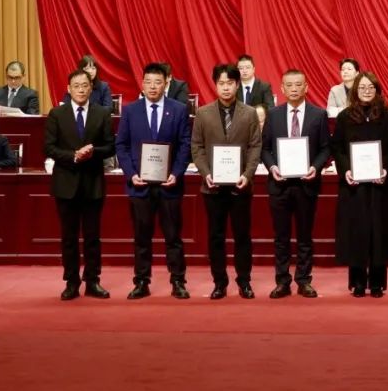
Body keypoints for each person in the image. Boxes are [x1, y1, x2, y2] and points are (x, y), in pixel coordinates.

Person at [115, 63, 193, 300]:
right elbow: (121, 145)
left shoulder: (178, 109)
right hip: (140, 185)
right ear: (142, 84)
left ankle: (178, 281)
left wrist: (176, 172)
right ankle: (141, 281)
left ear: (166, 83)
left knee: (173, 237)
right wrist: (131, 174)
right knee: (141, 237)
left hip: (169, 185)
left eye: (157, 82)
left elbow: (185, 145)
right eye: (148, 82)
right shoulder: (131, 111)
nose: (152, 87)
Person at [44, 69, 116, 301]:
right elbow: (49, 147)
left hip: (93, 183)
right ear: (69, 89)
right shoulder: (57, 113)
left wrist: (93, 152)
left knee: (92, 237)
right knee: (69, 237)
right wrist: (73, 156)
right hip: (66, 183)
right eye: (76, 86)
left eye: (85, 85)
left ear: (91, 88)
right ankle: (71, 281)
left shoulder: (102, 113)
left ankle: (93, 281)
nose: (81, 90)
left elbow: (110, 146)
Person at [191, 63, 262, 300]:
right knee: (216, 236)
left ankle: (244, 281)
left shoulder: (249, 113)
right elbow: (197, 147)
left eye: (230, 83)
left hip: (241, 186)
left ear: (237, 84)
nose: (225, 88)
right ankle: (219, 282)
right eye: (221, 83)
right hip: (212, 186)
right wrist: (206, 173)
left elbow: (255, 146)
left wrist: (247, 175)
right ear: (215, 85)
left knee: (242, 236)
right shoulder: (203, 113)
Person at [261, 69, 332, 298]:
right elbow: (265, 148)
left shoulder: (318, 115)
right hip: (279, 185)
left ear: (306, 87)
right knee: (281, 237)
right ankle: (282, 281)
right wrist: (272, 167)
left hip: (306, 184)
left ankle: (304, 280)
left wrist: (315, 167)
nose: (294, 89)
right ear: (282, 88)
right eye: (289, 85)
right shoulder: (273, 114)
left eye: (298, 84)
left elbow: (326, 148)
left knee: (304, 236)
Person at [331, 72, 388, 298]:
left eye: (371, 87)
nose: (366, 91)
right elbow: (337, 148)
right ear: (355, 91)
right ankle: (358, 282)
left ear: (377, 90)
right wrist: (346, 170)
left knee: (379, 232)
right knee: (357, 232)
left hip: (380, 185)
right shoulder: (344, 117)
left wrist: (386, 170)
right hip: (354, 186)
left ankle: (378, 283)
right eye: (362, 87)